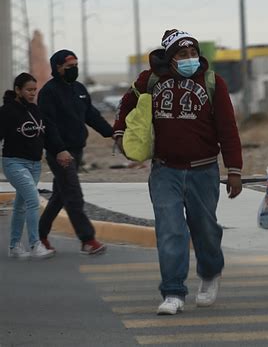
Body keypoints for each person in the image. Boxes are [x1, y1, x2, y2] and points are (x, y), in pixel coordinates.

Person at [113, 29, 243, 315]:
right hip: (165, 171)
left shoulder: (213, 82)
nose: (190, 59)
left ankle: (210, 273)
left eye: (193, 53)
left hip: (204, 170)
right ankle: (173, 292)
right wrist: (120, 133)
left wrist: (235, 169)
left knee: (205, 230)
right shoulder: (151, 80)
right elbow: (127, 104)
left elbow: (228, 128)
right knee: (170, 231)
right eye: (183, 55)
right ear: (171, 59)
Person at [37, 49, 113, 255]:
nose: (74, 70)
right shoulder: (48, 92)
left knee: (60, 196)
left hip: (77, 150)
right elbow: (48, 125)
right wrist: (59, 150)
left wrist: (113, 133)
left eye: (76, 66)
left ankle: (40, 235)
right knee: (73, 194)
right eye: (69, 67)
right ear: (57, 68)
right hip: (60, 153)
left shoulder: (79, 89)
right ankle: (87, 239)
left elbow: (92, 115)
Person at [0, 73, 55, 259]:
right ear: (18, 90)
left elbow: (44, 135)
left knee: (20, 205)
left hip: (35, 165)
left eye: (34, 90)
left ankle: (14, 245)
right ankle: (35, 244)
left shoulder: (34, 109)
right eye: (28, 90)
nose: (32, 93)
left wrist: (60, 150)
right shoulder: (6, 112)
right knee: (33, 200)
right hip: (14, 163)